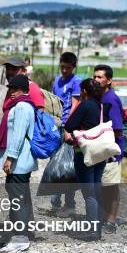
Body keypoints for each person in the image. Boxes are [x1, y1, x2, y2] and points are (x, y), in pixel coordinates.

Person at [0, 75, 38, 252]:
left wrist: (10, 157)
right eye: (10, 88)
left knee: (17, 197)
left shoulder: (22, 107)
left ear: (23, 90)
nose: (10, 92)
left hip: (19, 161)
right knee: (20, 196)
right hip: (22, 160)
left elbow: (18, 135)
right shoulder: (23, 106)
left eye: (14, 89)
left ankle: (20, 238)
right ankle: (19, 232)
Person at [63, 79, 111, 241]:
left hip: (85, 153)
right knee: (96, 189)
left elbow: (69, 125)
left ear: (84, 91)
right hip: (101, 153)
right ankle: (97, 228)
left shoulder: (84, 105)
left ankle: (92, 231)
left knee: (88, 192)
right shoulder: (102, 106)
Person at [93, 65, 124, 233]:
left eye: (100, 77)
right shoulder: (99, 97)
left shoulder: (110, 99)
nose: (96, 80)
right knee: (103, 185)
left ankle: (111, 221)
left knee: (111, 187)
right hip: (102, 149)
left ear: (109, 80)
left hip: (111, 151)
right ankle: (105, 217)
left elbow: (118, 129)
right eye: (95, 77)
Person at [50, 52, 81, 216]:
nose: (64, 70)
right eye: (62, 67)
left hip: (68, 128)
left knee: (68, 166)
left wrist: (68, 128)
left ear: (73, 67)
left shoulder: (76, 83)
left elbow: (75, 106)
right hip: (55, 125)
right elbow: (53, 101)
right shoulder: (57, 80)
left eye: (67, 68)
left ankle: (70, 204)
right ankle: (56, 199)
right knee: (55, 163)